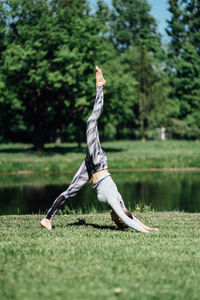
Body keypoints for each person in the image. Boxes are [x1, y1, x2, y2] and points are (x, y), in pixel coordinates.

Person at [40, 66, 158, 233]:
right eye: (116, 221)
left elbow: (129, 216)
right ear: (119, 219)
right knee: (91, 122)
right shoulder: (116, 206)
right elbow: (126, 217)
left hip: (91, 166)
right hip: (98, 161)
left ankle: (47, 219)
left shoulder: (118, 204)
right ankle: (100, 86)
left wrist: (148, 227)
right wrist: (144, 231)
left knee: (70, 191)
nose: (113, 220)